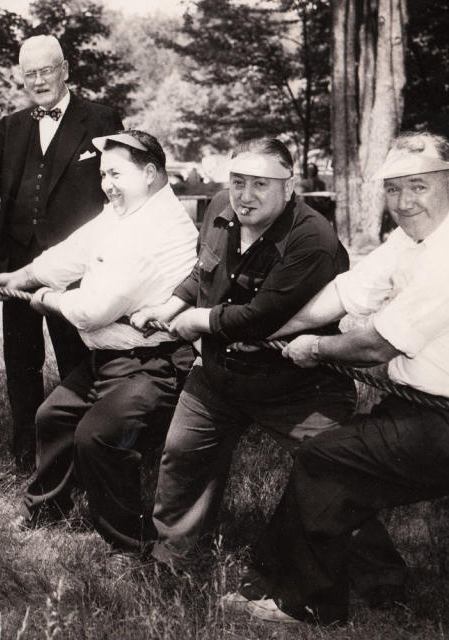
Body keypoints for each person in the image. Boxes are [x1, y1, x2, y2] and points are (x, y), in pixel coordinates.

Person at [226, 132, 449, 625]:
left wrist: (314, 347)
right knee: (342, 467)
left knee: (324, 460)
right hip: (430, 405)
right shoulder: (418, 235)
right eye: (394, 189)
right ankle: (370, 585)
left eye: (419, 186)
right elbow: (350, 292)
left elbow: (375, 345)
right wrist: (276, 328)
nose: (405, 202)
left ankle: (308, 604)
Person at [132, 138, 403, 603]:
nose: (245, 195)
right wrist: (172, 304)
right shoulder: (219, 208)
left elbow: (263, 317)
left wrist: (194, 320)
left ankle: (383, 585)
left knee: (333, 481)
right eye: (238, 182)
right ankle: (170, 560)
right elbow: (203, 271)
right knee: (182, 460)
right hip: (218, 375)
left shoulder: (312, 240)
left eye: (261, 184)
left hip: (296, 386)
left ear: (290, 186)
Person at [0, 130, 197, 550]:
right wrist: (21, 277)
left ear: (151, 174)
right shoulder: (124, 212)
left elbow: (94, 310)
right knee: (53, 417)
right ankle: (47, 509)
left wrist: (48, 300)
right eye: (103, 174)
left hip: (154, 364)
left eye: (116, 173)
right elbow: (74, 251)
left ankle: (129, 544)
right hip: (110, 356)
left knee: (98, 437)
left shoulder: (159, 228)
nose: (107, 184)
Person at [0, 35, 123, 470]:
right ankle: (26, 455)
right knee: (21, 364)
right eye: (30, 74)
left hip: (76, 271)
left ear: (65, 70)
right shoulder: (13, 125)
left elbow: (120, 184)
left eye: (46, 70)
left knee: (77, 362)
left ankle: (79, 453)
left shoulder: (101, 119)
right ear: (21, 78)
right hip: (16, 267)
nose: (39, 80)